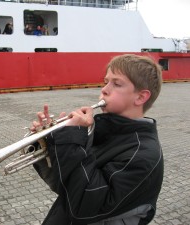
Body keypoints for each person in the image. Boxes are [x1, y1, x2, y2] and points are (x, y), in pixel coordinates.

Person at [30, 54, 164, 225]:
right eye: (105, 81)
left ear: (140, 97)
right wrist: (48, 143)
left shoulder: (143, 155)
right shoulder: (105, 131)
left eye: (116, 84)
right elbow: (68, 186)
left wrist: (71, 141)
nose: (104, 89)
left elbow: (84, 206)